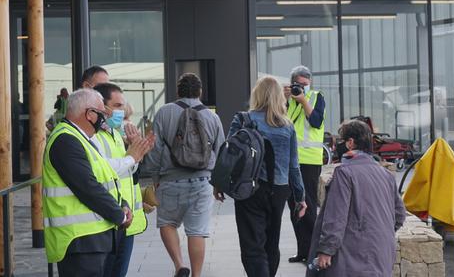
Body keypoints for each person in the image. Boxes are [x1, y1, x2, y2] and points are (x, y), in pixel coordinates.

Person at [141, 73, 225, 277]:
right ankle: (196, 275)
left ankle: (179, 265)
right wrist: (218, 184)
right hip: (202, 181)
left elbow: (155, 149)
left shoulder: (164, 113)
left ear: (177, 91)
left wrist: (155, 179)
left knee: (167, 224)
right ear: (200, 91)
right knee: (197, 231)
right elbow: (221, 151)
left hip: (170, 181)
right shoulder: (212, 117)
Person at [42, 89, 133, 277]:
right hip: (81, 243)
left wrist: (121, 204)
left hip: (92, 240)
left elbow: (104, 178)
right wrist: (119, 215)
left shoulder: (82, 138)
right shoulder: (66, 140)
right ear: (90, 114)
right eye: (102, 114)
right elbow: (88, 187)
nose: (105, 119)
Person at [223, 76, 307, 277]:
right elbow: (293, 166)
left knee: (252, 244)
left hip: (249, 188)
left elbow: (228, 156)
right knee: (271, 242)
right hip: (279, 189)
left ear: (257, 95)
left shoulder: (244, 119)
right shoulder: (287, 126)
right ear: (279, 97)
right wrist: (300, 197)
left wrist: (220, 185)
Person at [307, 119, 405, 276]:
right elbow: (399, 215)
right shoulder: (386, 175)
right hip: (382, 254)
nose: (338, 145)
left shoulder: (345, 173)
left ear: (350, 143)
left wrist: (326, 250)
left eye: (341, 141)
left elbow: (336, 217)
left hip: (352, 258)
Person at [93, 83, 155, 277]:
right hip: (107, 219)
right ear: (103, 107)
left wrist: (137, 155)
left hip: (125, 219)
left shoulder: (116, 134)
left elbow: (127, 171)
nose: (122, 111)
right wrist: (132, 157)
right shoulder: (93, 137)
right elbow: (102, 171)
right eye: (118, 105)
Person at [283, 65, 325, 264]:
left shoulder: (317, 97)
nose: (301, 89)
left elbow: (316, 121)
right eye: (298, 85)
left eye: (305, 85)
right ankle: (302, 250)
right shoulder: (288, 100)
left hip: (309, 160)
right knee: (293, 206)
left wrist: (303, 101)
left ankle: (315, 251)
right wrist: (284, 99)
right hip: (290, 160)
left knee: (307, 206)